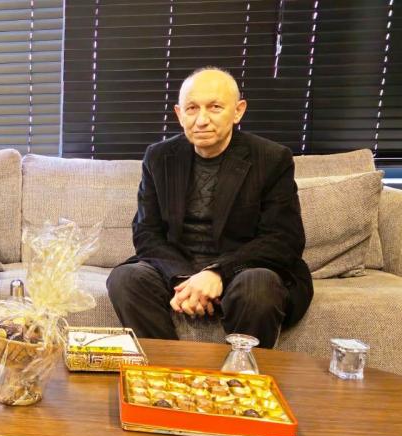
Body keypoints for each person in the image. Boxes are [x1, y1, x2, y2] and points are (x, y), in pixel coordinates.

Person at [107, 67, 313, 349]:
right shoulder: (159, 157)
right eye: (192, 108)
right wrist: (187, 280)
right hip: (179, 268)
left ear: (238, 111)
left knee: (257, 287)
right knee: (125, 279)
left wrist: (218, 273)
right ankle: (168, 366)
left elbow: (284, 239)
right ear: (179, 114)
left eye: (215, 107)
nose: (202, 120)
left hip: (243, 270)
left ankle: (239, 370)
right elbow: (146, 233)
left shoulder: (271, 158)